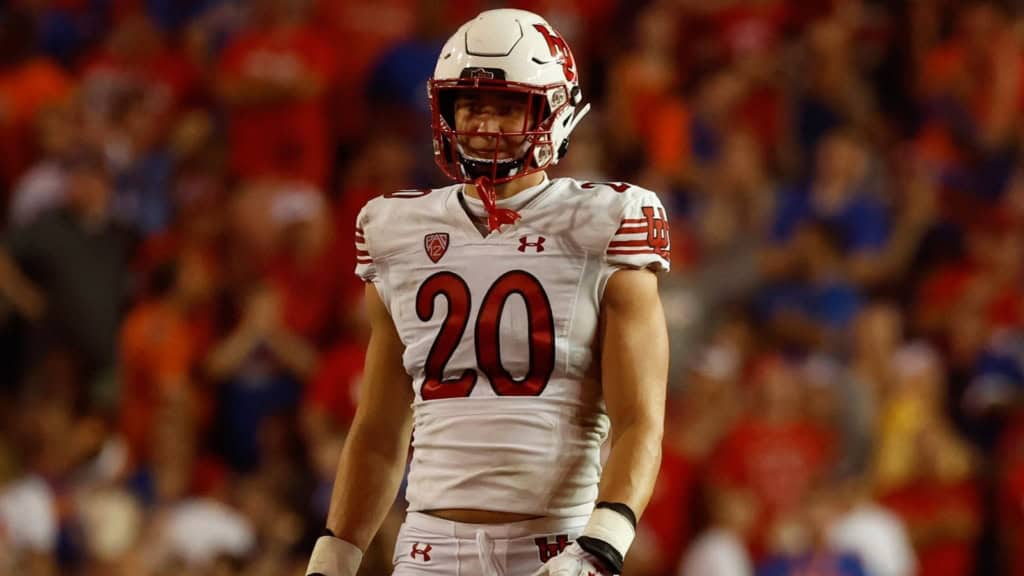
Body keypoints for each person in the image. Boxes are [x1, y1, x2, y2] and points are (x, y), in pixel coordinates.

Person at [306, 9, 670, 576]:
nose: (485, 122)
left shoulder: (604, 223)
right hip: (428, 549)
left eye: (507, 105)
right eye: (471, 104)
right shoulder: (397, 232)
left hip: (556, 544)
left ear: (553, 111)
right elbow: (378, 430)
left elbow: (639, 420)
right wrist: (335, 551)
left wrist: (601, 544)